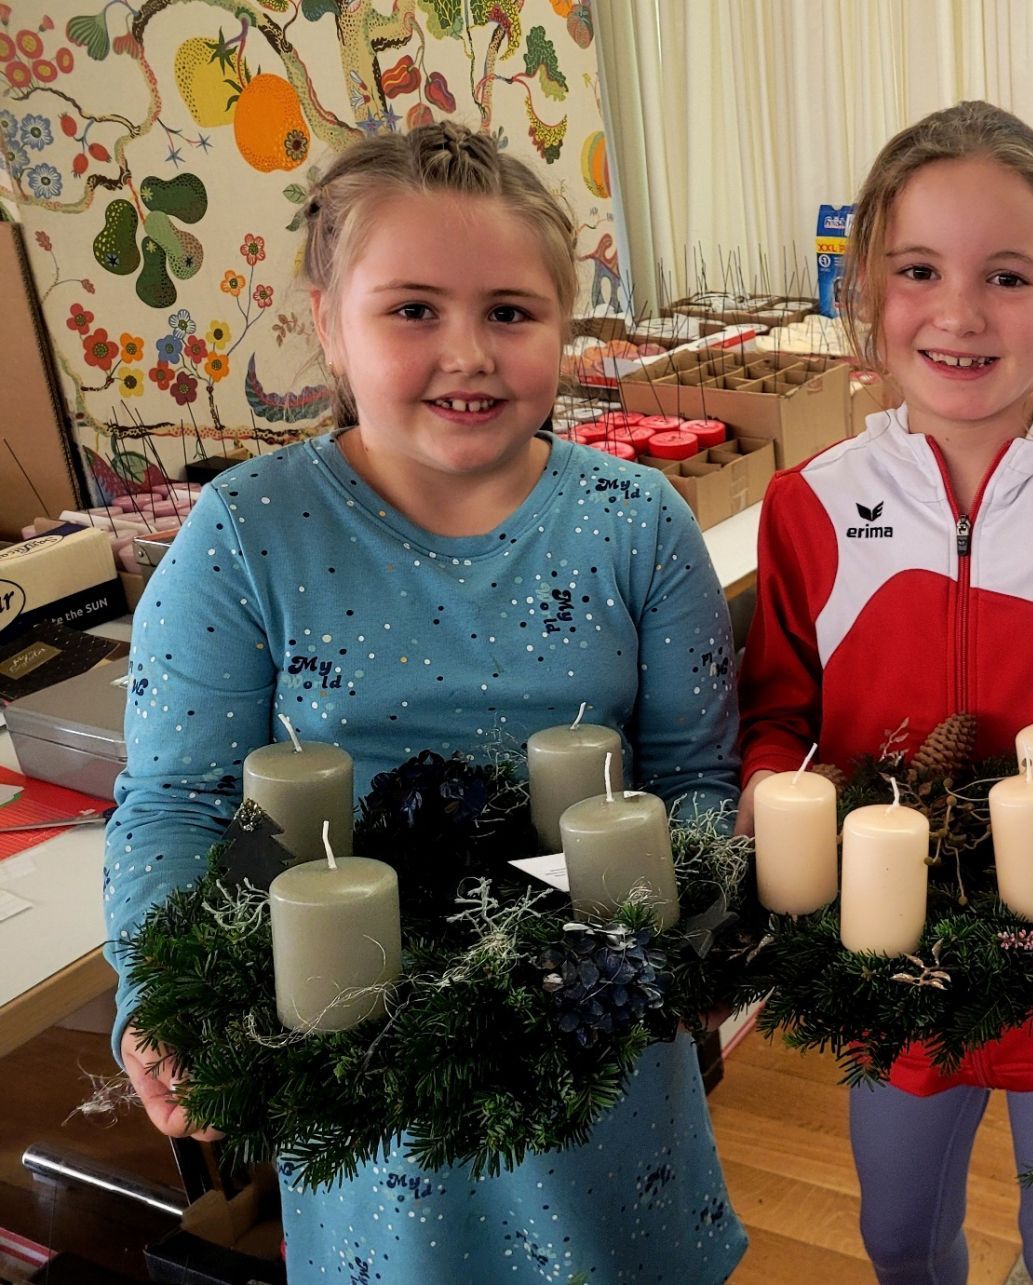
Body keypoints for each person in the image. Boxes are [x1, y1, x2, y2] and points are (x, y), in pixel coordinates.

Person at [104, 121, 748, 1281]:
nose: (469, 353)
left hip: (599, 1048)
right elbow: (174, 802)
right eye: (412, 310)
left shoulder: (638, 523)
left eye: (510, 311)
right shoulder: (248, 535)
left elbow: (692, 779)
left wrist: (689, 942)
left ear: (562, 322)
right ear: (325, 323)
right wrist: (157, 989)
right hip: (363, 1069)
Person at [736, 100, 1033, 1285]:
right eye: (917, 271)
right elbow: (780, 713)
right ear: (865, 291)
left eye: (1005, 275)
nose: (957, 313)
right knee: (895, 1234)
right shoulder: (812, 502)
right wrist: (760, 789)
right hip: (890, 952)